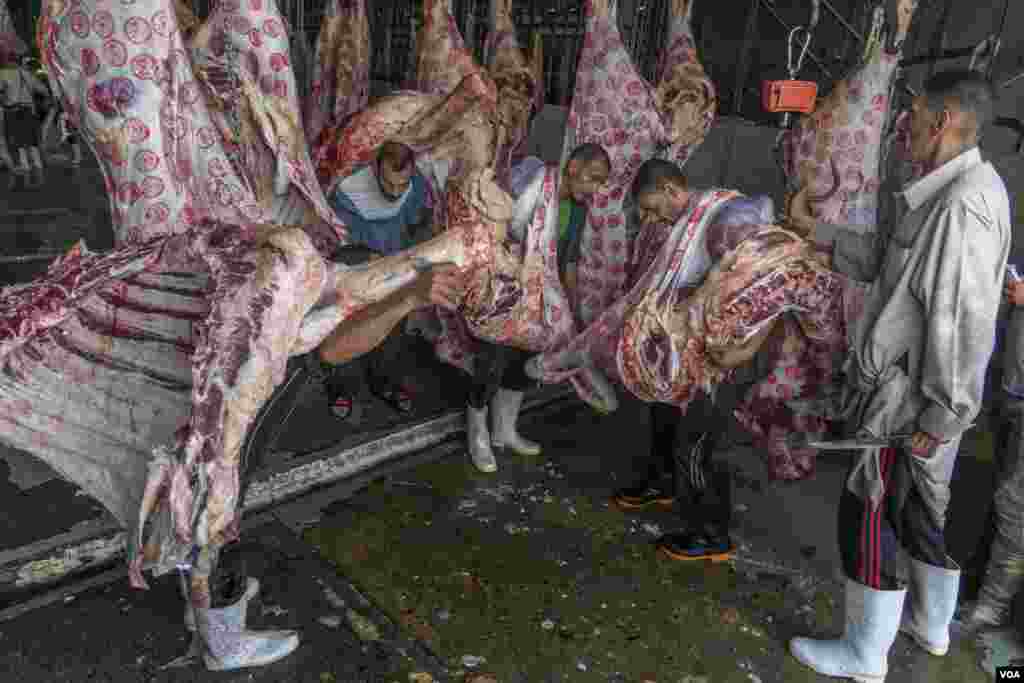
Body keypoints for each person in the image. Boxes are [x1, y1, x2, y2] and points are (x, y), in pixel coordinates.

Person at [785, 70, 1010, 680]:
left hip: (912, 399)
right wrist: (822, 236)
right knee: (918, 511)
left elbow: (962, 325)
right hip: (923, 396)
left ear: (941, 121)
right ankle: (932, 627)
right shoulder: (946, 191)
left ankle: (863, 655)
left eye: (911, 116)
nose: (901, 127)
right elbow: (895, 266)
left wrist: (940, 417)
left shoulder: (964, 206)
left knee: (869, 509)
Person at [611, 159, 777, 562]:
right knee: (663, 408)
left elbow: (769, 286)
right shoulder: (689, 221)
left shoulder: (728, 220)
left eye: (653, 208)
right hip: (690, 345)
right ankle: (665, 482)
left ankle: (711, 534)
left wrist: (747, 350)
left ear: (671, 190)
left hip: (726, 354)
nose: (652, 219)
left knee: (698, 444)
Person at [465, 142, 610, 473]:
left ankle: (504, 430)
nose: (596, 188)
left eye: (601, 182)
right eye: (595, 178)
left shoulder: (577, 208)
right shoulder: (528, 182)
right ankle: (478, 434)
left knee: (523, 364)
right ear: (573, 168)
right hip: (501, 288)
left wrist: (570, 311)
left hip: (539, 295)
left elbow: (568, 258)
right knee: (492, 362)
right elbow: (488, 229)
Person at [324, 141, 432, 420]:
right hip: (356, 272)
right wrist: (367, 258)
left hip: (395, 268)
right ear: (374, 168)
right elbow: (337, 240)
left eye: (402, 184)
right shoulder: (348, 191)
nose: (396, 192)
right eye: (389, 184)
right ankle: (341, 388)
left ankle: (383, 383)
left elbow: (418, 222)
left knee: (391, 330)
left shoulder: (416, 183)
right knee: (345, 329)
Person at [963, 269, 1024, 630]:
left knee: (1015, 507)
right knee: (1003, 497)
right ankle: (981, 597)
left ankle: (992, 607)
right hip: (1012, 388)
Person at [0, 52, 48, 175]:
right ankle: (38, 167)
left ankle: (25, 167)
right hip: (28, 110)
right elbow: (43, 90)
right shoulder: (27, 74)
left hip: (12, 111)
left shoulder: (3, 74)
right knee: (32, 142)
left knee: (19, 143)